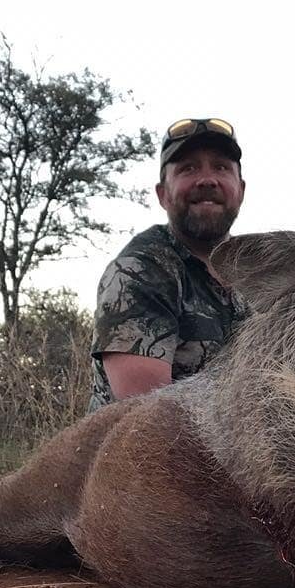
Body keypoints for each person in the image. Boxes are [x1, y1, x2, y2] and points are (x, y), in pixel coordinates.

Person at [88, 118, 248, 411]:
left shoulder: (258, 272)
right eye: (188, 168)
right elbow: (148, 417)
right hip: (144, 451)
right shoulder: (137, 272)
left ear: (241, 190)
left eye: (221, 167)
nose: (207, 180)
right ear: (162, 194)